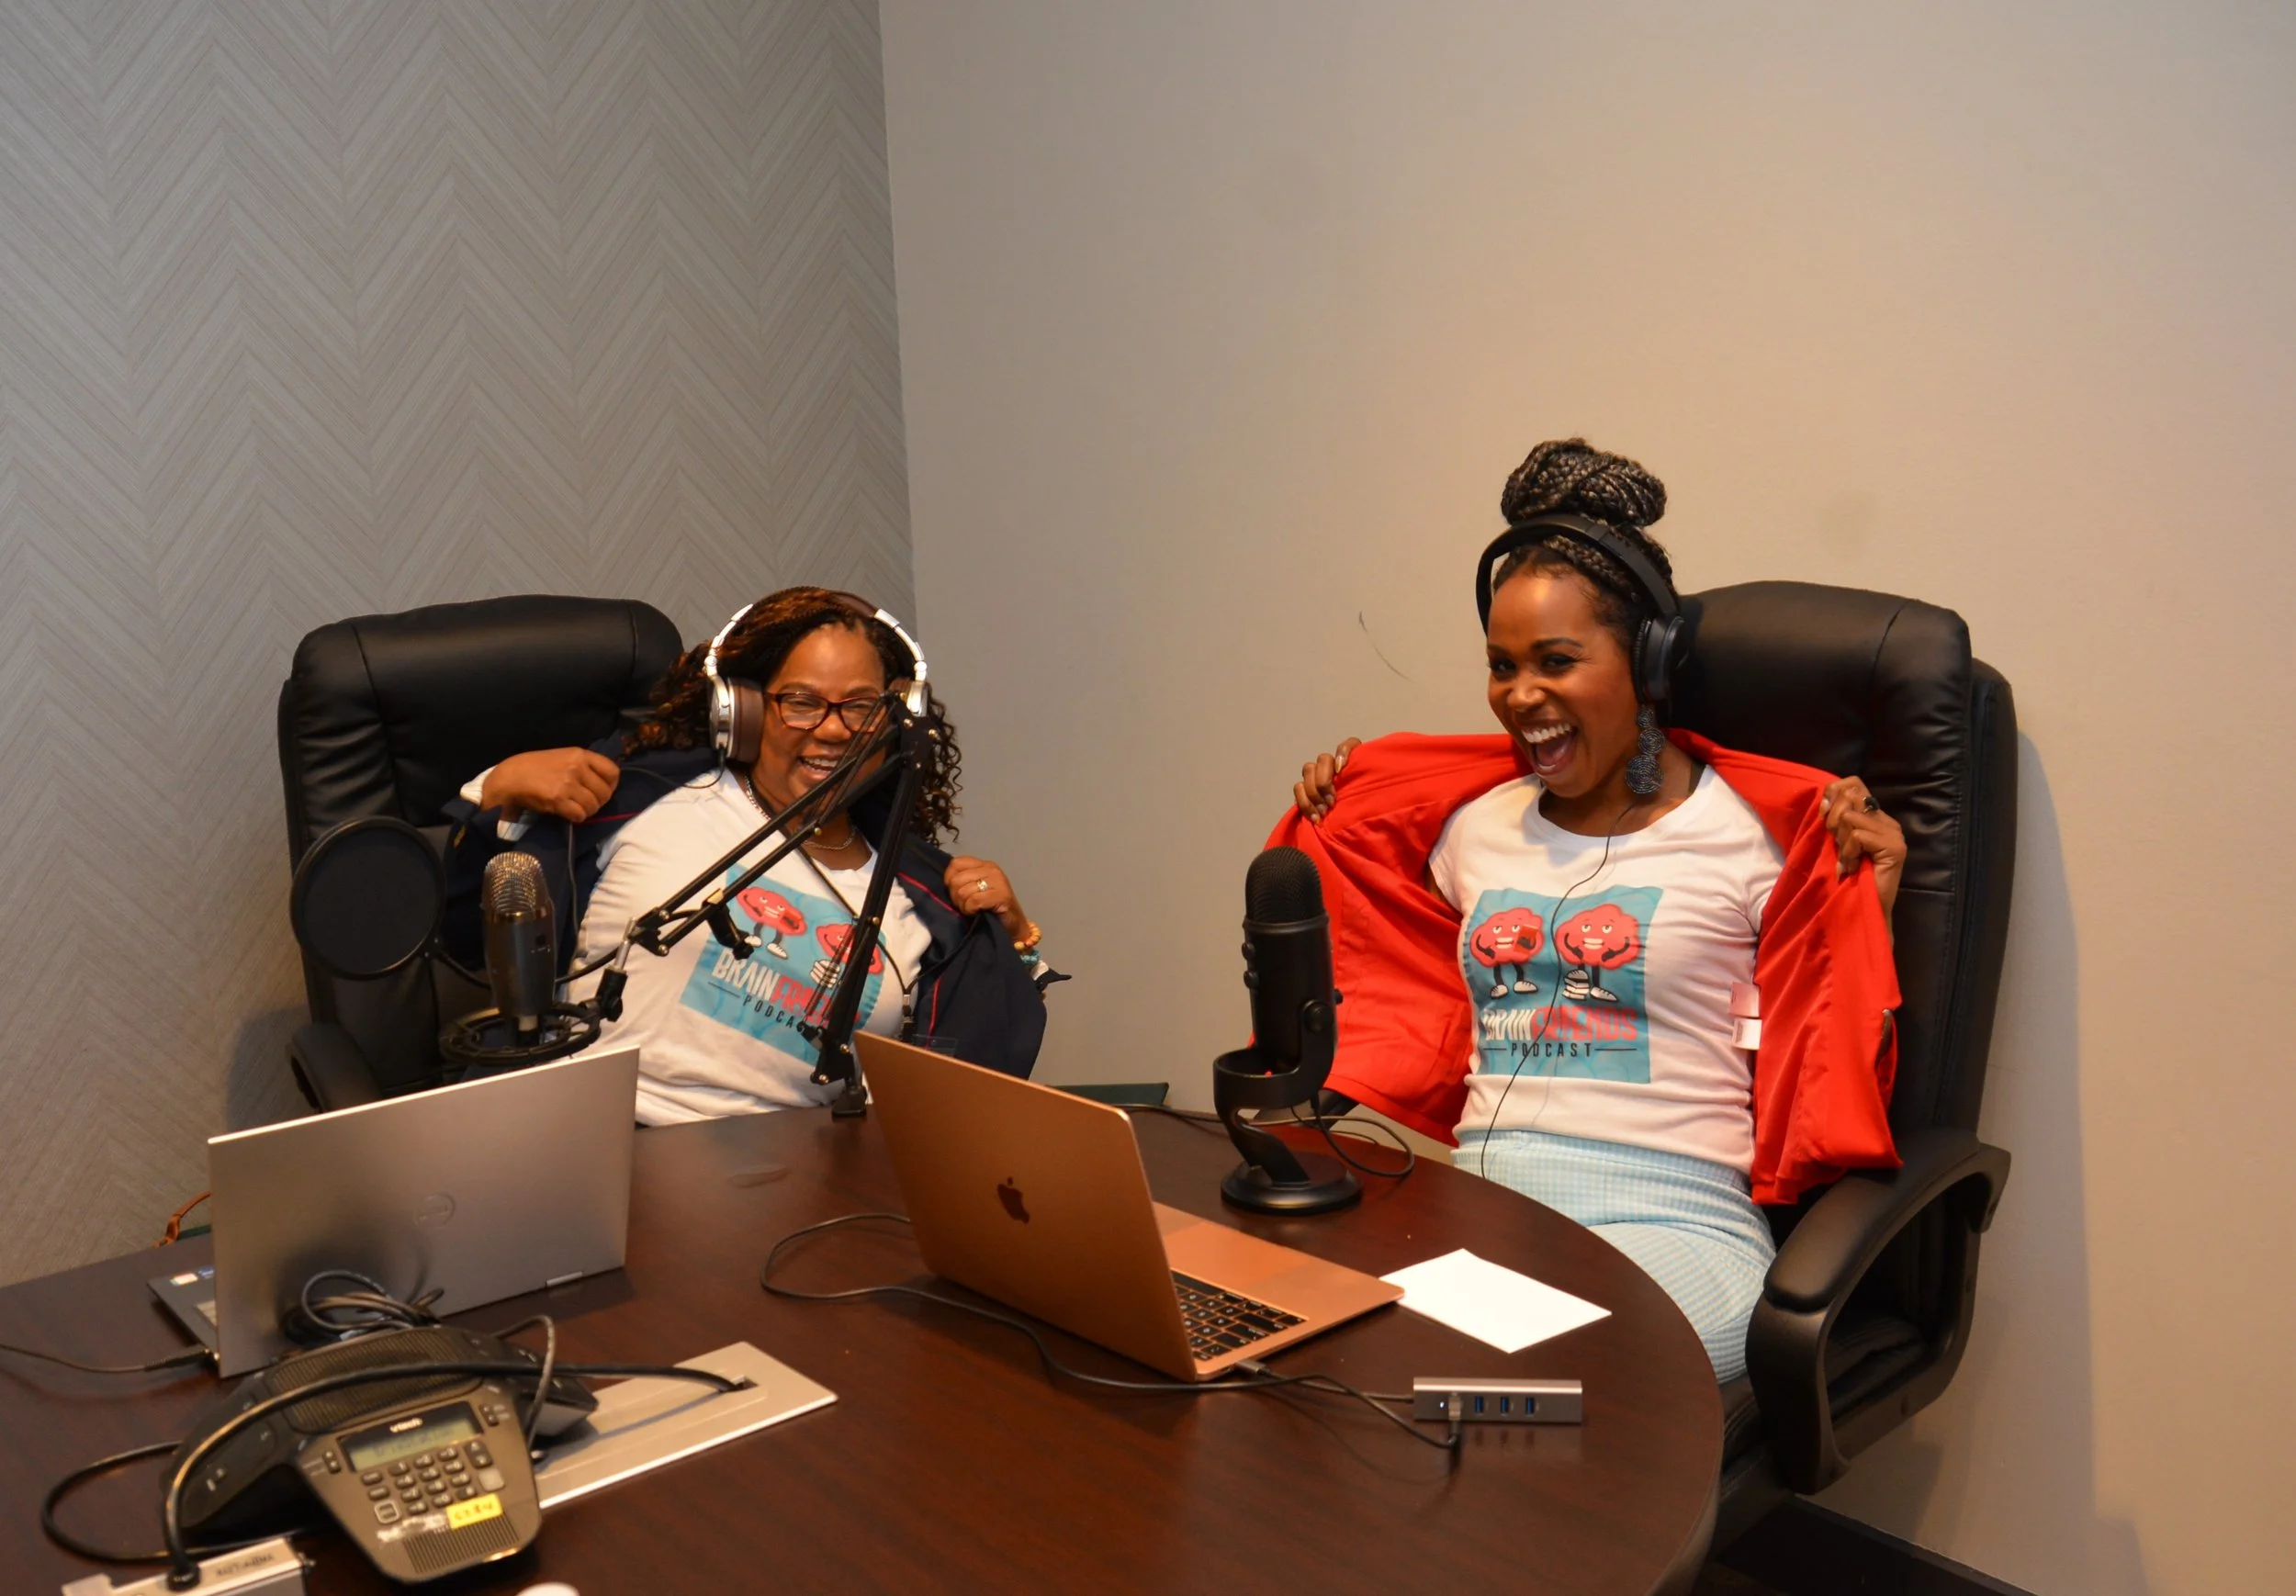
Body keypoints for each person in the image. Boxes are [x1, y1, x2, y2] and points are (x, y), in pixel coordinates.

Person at [1277, 440, 1905, 1383]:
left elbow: (1816, 1025)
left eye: (1556, 661)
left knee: (1551, 1372)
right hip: (1483, 1214)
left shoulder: (1755, 837)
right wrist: (1347, 799)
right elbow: (1372, 924)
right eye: (1500, 664)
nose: (1521, 695)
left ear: (1647, 662)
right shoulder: (1470, 829)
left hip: (1677, 1228)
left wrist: (1873, 895)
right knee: (1313, 1338)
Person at [445, 587, 1054, 1124]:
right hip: (591, 1141)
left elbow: (970, 1099)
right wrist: (499, 789)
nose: (834, 730)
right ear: (746, 710)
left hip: (796, 1185)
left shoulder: (922, 897)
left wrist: (1016, 941)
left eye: (860, 706)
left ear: (895, 722)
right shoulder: (635, 798)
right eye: (803, 702)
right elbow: (463, 931)